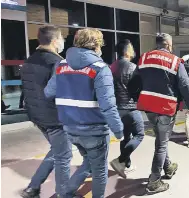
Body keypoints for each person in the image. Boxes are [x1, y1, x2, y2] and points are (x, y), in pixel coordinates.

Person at [44, 28, 123, 198]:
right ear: (96, 45)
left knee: (88, 162)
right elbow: (108, 105)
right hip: (94, 131)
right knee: (99, 171)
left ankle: (66, 193)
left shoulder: (61, 65)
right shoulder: (100, 68)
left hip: (70, 128)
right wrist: (118, 130)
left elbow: (48, 92)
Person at [127, 33, 189, 194]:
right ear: (168, 45)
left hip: (148, 107)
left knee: (161, 138)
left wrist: (139, 97)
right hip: (165, 107)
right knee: (161, 143)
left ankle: (168, 166)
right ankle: (154, 181)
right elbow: (185, 85)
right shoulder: (175, 61)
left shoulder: (144, 58)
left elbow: (133, 84)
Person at [19, 26, 71, 198]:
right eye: (62, 37)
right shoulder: (56, 61)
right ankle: (63, 194)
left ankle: (33, 188)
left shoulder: (29, 60)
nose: (63, 40)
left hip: (36, 115)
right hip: (55, 117)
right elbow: (62, 91)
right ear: (55, 41)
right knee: (63, 155)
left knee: (57, 151)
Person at [109, 39, 145, 178]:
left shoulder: (111, 67)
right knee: (139, 134)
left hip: (117, 108)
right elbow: (137, 89)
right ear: (127, 51)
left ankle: (126, 166)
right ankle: (120, 160)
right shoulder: (132, 67)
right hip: (130, 107)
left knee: (126, 137)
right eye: (131, 47)